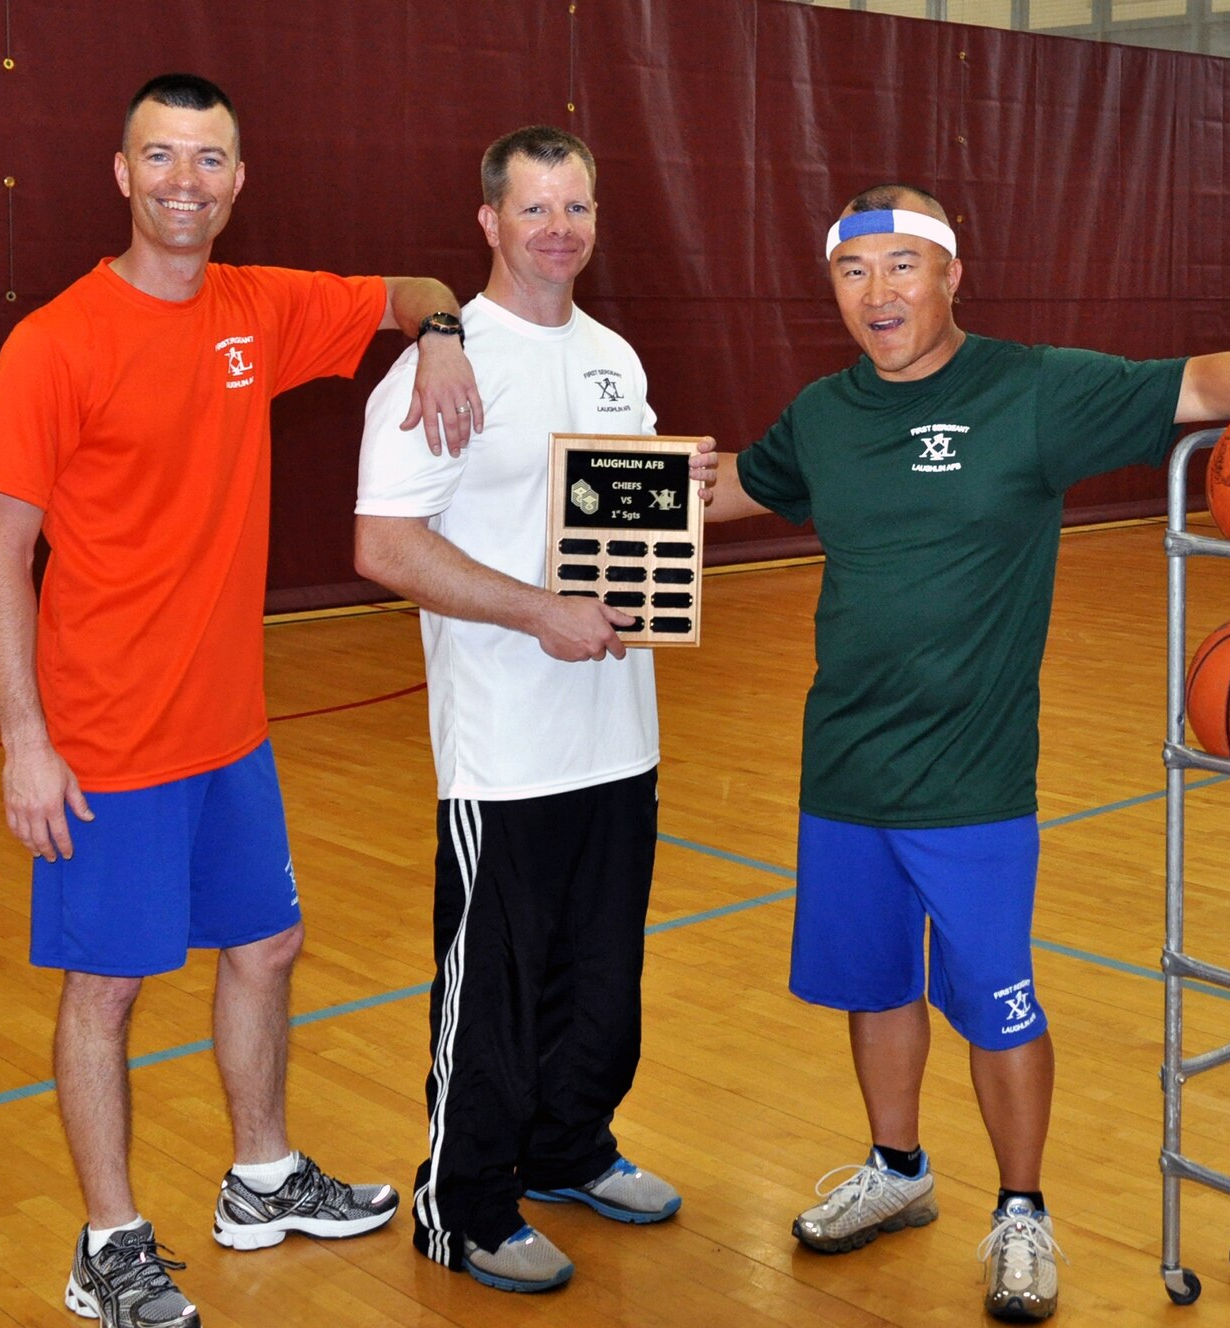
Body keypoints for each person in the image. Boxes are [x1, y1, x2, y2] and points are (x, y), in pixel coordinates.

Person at [689, 184, 1230, 1321]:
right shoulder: (824, 412)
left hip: (974, 775)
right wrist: (616, 491)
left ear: (952, 275)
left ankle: (1021, 1209)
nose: (878, 293)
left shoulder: (1031, 390)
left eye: (903, 266)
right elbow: (736, 489)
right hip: (843, 762)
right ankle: (896, 1172)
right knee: (877, 983)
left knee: (999, 1002)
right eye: (855, 272)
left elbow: (1194, 381)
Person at [0, 74, 485, 1328]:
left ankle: (261, 1177)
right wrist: (26, 741)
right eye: (161, 157)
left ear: (238, 181)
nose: (185, 181)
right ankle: (107, 1241)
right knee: (106, 987)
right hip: (105, 739)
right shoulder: (56, 341)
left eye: (209, 160)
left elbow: (413, 290)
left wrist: (445, 334)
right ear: (123, 173)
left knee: (265, 944)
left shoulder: (257, 306)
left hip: (228, 731)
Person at [352, 124, 684, 1296]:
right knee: (490, 988)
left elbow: (645, 522)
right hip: (503, 750)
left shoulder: (613, 356)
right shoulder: (441, 367)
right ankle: (463, 1202)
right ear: (488, 221)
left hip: (619, 735)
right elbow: (385, 543)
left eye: (576, 208)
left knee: (601, 976)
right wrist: (535, 610)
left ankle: (568, 1146)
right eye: (535, 209)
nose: (559, 230)